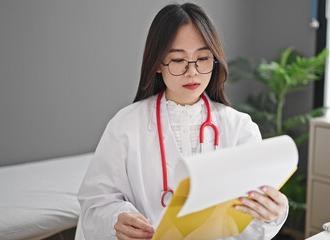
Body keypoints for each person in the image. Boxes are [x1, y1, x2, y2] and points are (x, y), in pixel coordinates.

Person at [78, 3, 289, 240]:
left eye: (203, 58)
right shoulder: (125, 126)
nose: (192, 72)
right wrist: (116, 220)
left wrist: (273, 214)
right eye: (178, 60)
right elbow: (96, 203)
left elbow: (251, 218)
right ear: (158, 63)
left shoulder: (239, 127)